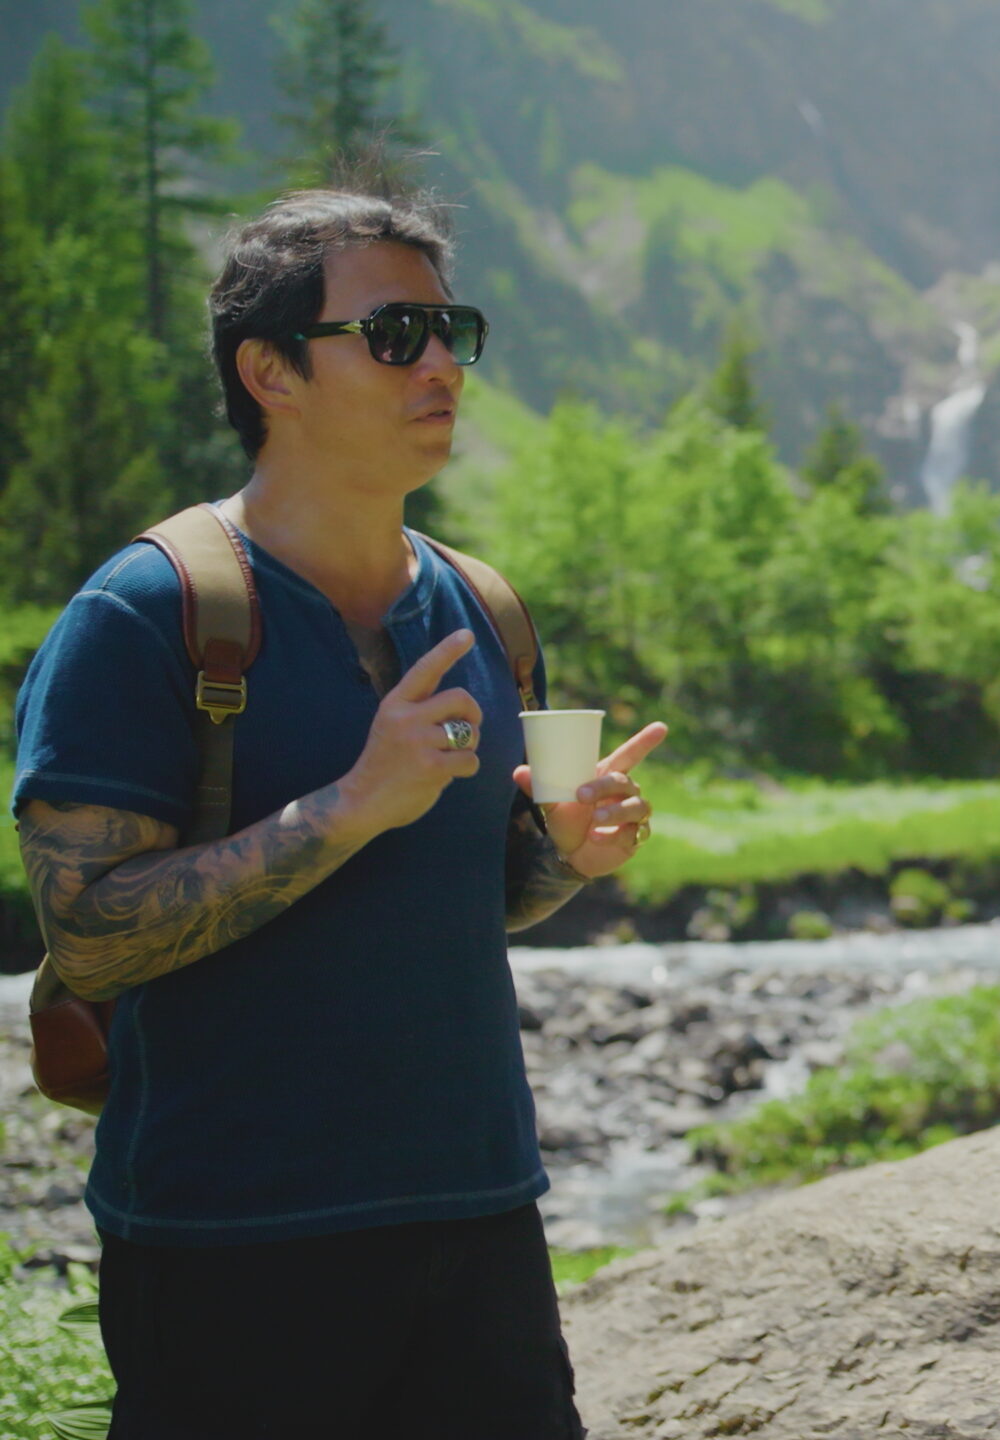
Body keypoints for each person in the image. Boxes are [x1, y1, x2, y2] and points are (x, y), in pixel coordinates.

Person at [12, 188, 667, 1439]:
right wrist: (351, 805)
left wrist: (557, 855)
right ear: (269, 371)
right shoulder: (147, 614)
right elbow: (89, 935)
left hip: (479, 1222)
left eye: (451, 331)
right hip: (232, 1244)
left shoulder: (486, 610)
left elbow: (464, 909)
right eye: (392, 333)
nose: (439, 364)